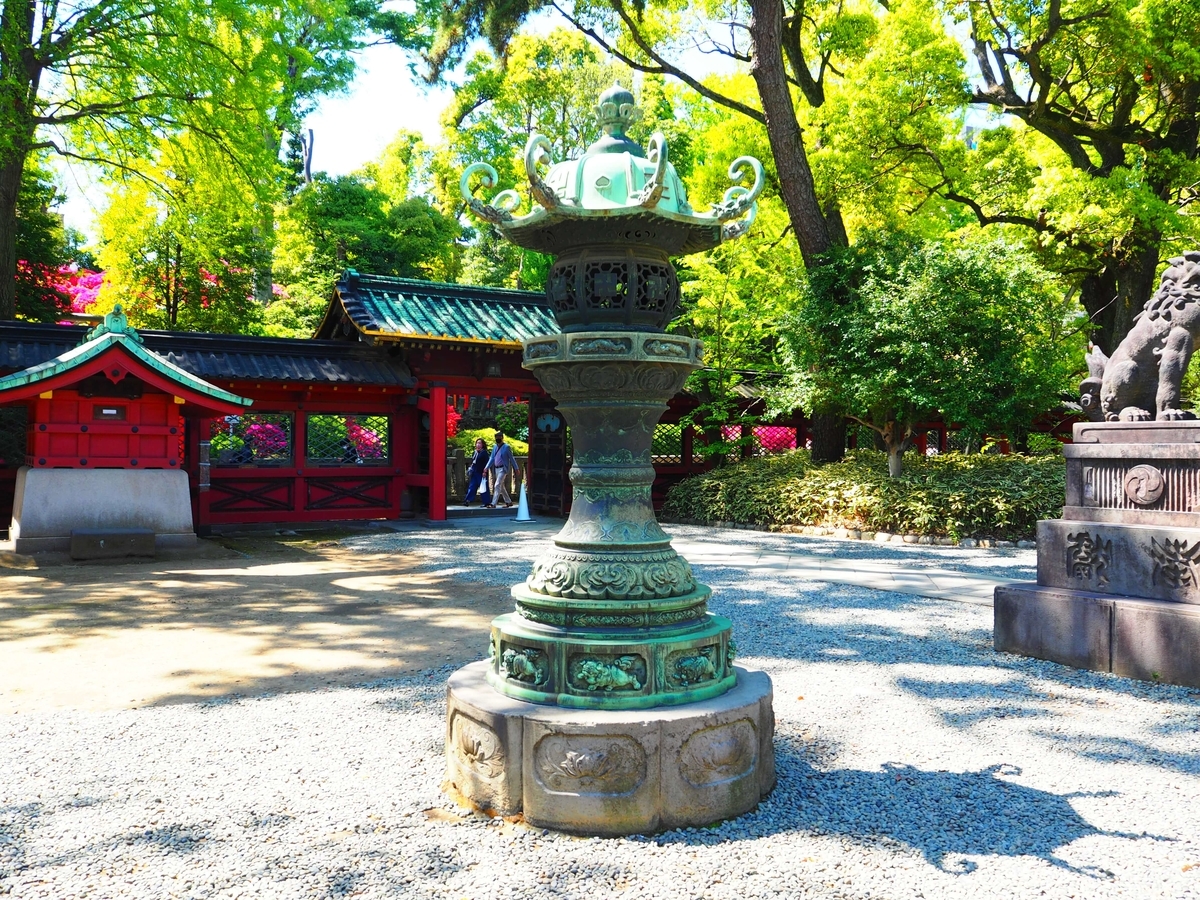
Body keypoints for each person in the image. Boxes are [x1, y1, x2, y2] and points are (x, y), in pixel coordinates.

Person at [485, 431, 515, 508]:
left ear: (502, 438)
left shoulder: (507, 447)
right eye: (496, 437)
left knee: (497, 484)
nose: (498, 439)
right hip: (496, 468)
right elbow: (492, 458)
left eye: (499, 437)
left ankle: (493, 503)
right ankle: (508, 502)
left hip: (503, 468)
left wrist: (516, 468)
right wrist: (486, 467)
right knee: (501, 486)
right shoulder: (494, 447)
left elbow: (511, 459)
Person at [464, 438, 490, 506]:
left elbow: (487, 463)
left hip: (481, 472)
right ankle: (467, 500)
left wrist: (485, 471)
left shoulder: (484, 453)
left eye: (480, 443)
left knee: (483, 487)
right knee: (472, 486)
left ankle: (486, 502)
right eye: (477, 443)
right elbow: (473, 461)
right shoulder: (475, 452)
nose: (478, 445)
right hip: (474, 472)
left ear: (483, 445)